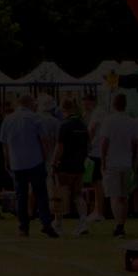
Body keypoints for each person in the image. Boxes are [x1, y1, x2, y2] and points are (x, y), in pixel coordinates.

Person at [0, 93, 59, 238]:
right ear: (30, 103)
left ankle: (23, 227)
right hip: (35, 161)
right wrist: (46, 158)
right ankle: (46, 224)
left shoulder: (8, 119)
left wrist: (7, 161)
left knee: (21, 196)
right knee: (41, 194)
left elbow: (5, 144)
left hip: (17, 163)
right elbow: (44, 140)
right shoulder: (35, 118)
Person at [99, 93, 136, 238]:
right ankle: (122, 224)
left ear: (114, 104)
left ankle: (118, 226)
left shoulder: (108, 121)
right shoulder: (131, 121)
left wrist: (103, 160)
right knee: (124, 196)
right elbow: (135, 142)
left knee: (114, 196)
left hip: (112, 162)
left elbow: (104, 142)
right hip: (126, 162)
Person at [53, 97, 90, 236]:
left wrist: (54, 162)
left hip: (65, 165)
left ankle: (58, 224)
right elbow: (88, 145)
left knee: (61, 195)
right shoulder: (83, 125)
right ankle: (83, 222)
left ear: (63, 110)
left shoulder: (64, 125)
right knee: (78, 195)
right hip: (79, 165)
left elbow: (59, 147)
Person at [82, 93, 107, 221]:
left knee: (97, 182)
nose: (84, 105)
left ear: (91, 101)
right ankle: (97, 210)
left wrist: (86, 147)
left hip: (95, 152)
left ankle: (99, 211)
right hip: (98, 151)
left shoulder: (97, 113)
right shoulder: (98, 112)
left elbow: (91, 130)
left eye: (85, 102)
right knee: (96, 182)